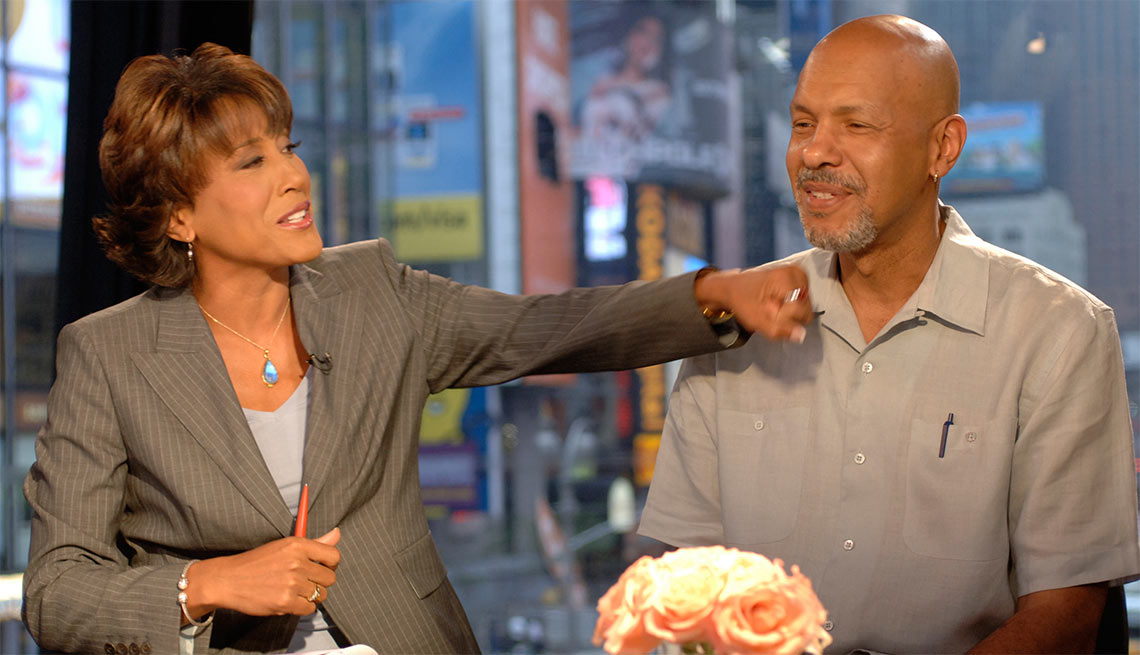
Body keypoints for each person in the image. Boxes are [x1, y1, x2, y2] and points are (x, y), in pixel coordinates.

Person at [21, 44, 813, 654]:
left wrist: (716, 293)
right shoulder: (108, 355)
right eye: (253, 161)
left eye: (289, 147)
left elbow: (547, 326)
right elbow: (55, 590)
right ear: (178, 217)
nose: (294, 175)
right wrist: (206, 583)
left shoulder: (372, 291)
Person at [640, 14, 1140, 654]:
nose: (814, 153)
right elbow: (688, 584)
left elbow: (1066, 617)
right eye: (802, 124)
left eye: (857, 125)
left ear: (943, 148)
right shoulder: (739, 322)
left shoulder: (1057, 331)